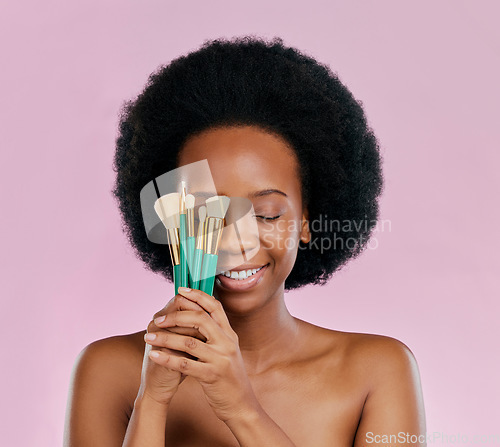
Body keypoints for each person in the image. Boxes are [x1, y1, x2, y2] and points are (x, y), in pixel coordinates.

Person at [64, 35, 426, 446]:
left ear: (307, 221)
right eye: (206, 213)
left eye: (267, 214)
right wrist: (153, 399)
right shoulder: (108, 370)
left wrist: (240, 406)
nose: (235, 241)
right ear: (173, 223)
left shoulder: (376, 371)